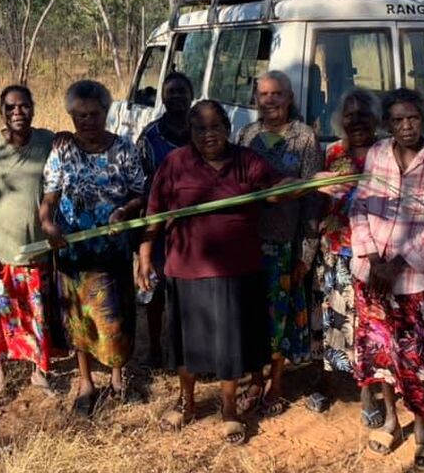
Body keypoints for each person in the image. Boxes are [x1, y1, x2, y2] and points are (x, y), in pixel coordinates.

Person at [139, 100, 285, 445]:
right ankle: (186, 402)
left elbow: (276, 189)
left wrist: (308, 183)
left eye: (215, 127)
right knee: (185, 344)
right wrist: (145, 255)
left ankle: (229, 408)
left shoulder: (246, 161)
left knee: (230, 344)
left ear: (227, 128)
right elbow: (154, 212)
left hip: (237, 270)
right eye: (200, 129)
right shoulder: (175, 163)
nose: (208, 135)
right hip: (186, 269)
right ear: (190, 133)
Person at [350, 88, 424, 470]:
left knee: (419, 360)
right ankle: (392, 421)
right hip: (372, 274)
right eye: (397, 120)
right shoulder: (378, 154)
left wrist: (397, 264)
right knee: (381, 353)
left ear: (422, 118)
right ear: (387, 124)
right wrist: (373, 257)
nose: (406, 126)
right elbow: (359, 205)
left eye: (412, 118)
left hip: (413, 280)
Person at [39, 80, 146, 416]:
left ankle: (118, 378)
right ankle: (86, 383)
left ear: (106, 113)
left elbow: (140, 192)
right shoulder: (62, 150)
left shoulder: (125, 148)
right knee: (77, 318)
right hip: (72, 249)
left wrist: (125, 211)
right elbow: (49, 197)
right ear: (71, 116)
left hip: (111, 249)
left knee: (115, 318)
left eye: (94, 114)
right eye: (79, 115)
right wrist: (47, 223)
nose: (87, 121)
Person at [237, 70, 323, 416]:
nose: (270, 101)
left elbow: (313, 200)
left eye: (277, 94)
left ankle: (276, 382)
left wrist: (306, 252)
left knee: (279, 320)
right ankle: (254, 379)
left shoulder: (304, 139)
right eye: (264, 94)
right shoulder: (247, 135)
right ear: (256, 99)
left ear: (289, 99)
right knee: (252, 316)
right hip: (247, 245)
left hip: (284, 246)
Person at [0, 85, 56, 396]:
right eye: (10, 108)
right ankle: (0, 373)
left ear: (33, 108)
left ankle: (39, 370)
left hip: (35, 246)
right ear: (2, 112)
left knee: (37, 312)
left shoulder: (48, 141)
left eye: (23, 106)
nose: (17, 112)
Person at [313, 90, 384, 424]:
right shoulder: (333, 153)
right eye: (349, 115)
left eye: (363, 114)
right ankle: (327, 383)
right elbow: (320, 200)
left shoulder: (386, 153)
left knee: (370, 328)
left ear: (376, 119)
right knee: (334, 323)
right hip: (337, 250)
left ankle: (369, 392)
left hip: (374, 255)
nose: (356, 121)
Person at [134, 72, 194, 367]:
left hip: (194, 227)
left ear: (191, 95)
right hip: (158, 223)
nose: (177, 97)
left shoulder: (201, 131)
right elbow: (139, 179)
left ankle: (185, 350)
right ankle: (155, 349)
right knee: (155, 288)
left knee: (189, 291)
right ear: (163, 97)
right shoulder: (150, 136)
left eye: (182, 91)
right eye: (171, 92)